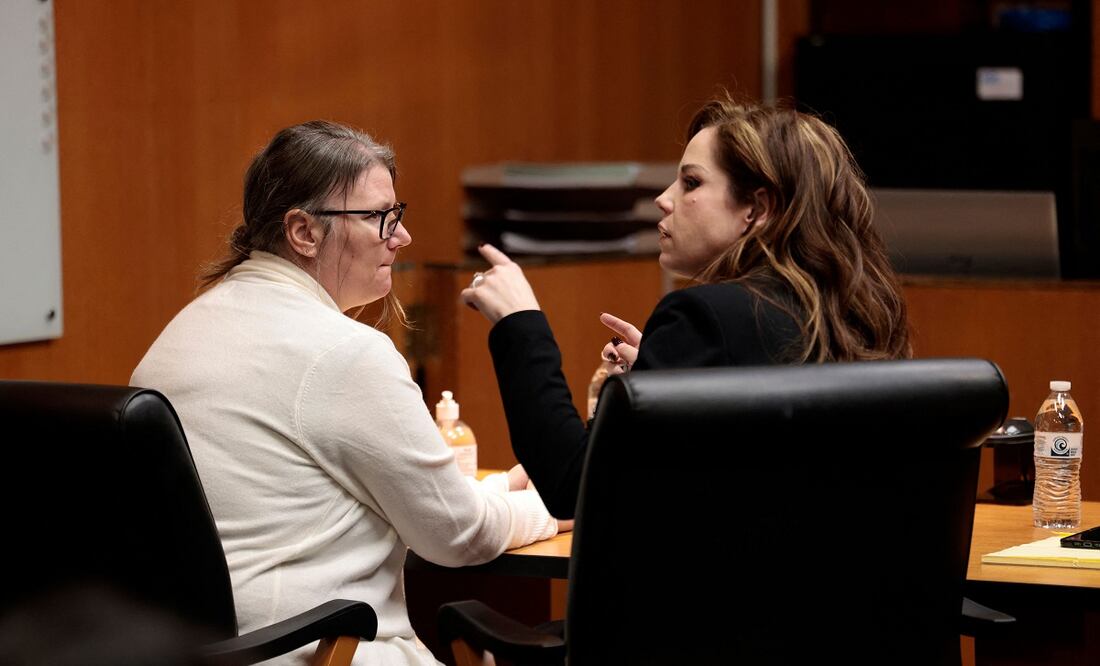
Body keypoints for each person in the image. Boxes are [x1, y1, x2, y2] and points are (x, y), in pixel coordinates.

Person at [131, 120, 562, 665]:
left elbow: (303, 495)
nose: (401, 236)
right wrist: (553, 505)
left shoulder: (180, 335)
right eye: (380, 218)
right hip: (321, 650)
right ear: (304, 232)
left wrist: (499, 488)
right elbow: (458, 535)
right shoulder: (343, 351)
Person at [461, 94, 912, 518]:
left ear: (756, 208)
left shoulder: (705, 317)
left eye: (691, 182)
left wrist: (521, 326)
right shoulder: (861, 318)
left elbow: (574, 486)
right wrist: (664, 372)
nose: (663, 199)